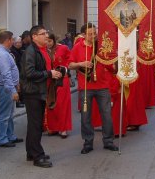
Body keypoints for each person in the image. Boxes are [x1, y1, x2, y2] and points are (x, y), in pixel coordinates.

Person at [68, 23, 119, 154]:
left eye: (94, 33)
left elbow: (110, 65)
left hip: (102, 86)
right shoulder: (77, 47)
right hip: (85, 87)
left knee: (107, 115)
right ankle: (88, 142)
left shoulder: (101, 47)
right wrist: (81, 63)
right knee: (86, 117)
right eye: (90, 34)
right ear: (83, 35)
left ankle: (108, 141)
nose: (93, 35)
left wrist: (117, 67)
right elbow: (70, 65)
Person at [20, 26, 62, 167]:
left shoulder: (43, 50)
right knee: (36, 125)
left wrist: (53, 73)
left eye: (46, 33)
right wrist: (49, 74)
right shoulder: (30, 51)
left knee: (35, 124)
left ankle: (31, 152)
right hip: (33, 92)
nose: (46, 36)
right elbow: (29, 73)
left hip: (40, 91)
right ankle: (38, 156)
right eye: (42, 34)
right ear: (34, 37)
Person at [0, 30, 23, 148]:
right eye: (12, 39)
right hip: (4, 88)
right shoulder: (2, 54)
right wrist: (13, 90)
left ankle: (10, 136)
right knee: (4, 114)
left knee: (9, 114)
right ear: (7, 40)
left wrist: (16, 84)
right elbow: (6, 74)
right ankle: (2, 139)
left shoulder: (3, 52)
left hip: (7, 87)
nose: (13, 41)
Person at [43, 31, 72, 138]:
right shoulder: (43, 51)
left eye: (49, 41)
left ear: (54, 40)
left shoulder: (63, 48)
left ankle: (63, 128)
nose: (48, 43)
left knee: (62, 104)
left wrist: (65, 68)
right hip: (49, 80)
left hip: (62, 79)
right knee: (51, 104)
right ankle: (53, 127)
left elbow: (71, 60)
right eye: (45, 40)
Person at [11, 36, 26, 108]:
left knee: (20, 87)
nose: (20, 44)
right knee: (17, 87)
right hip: (17, 71)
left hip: (20, 71)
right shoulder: (13, 52)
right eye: (18, 42)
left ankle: (20, 100)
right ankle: (18, 102)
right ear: (14, 43)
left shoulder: (20, 50)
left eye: (20, 42)